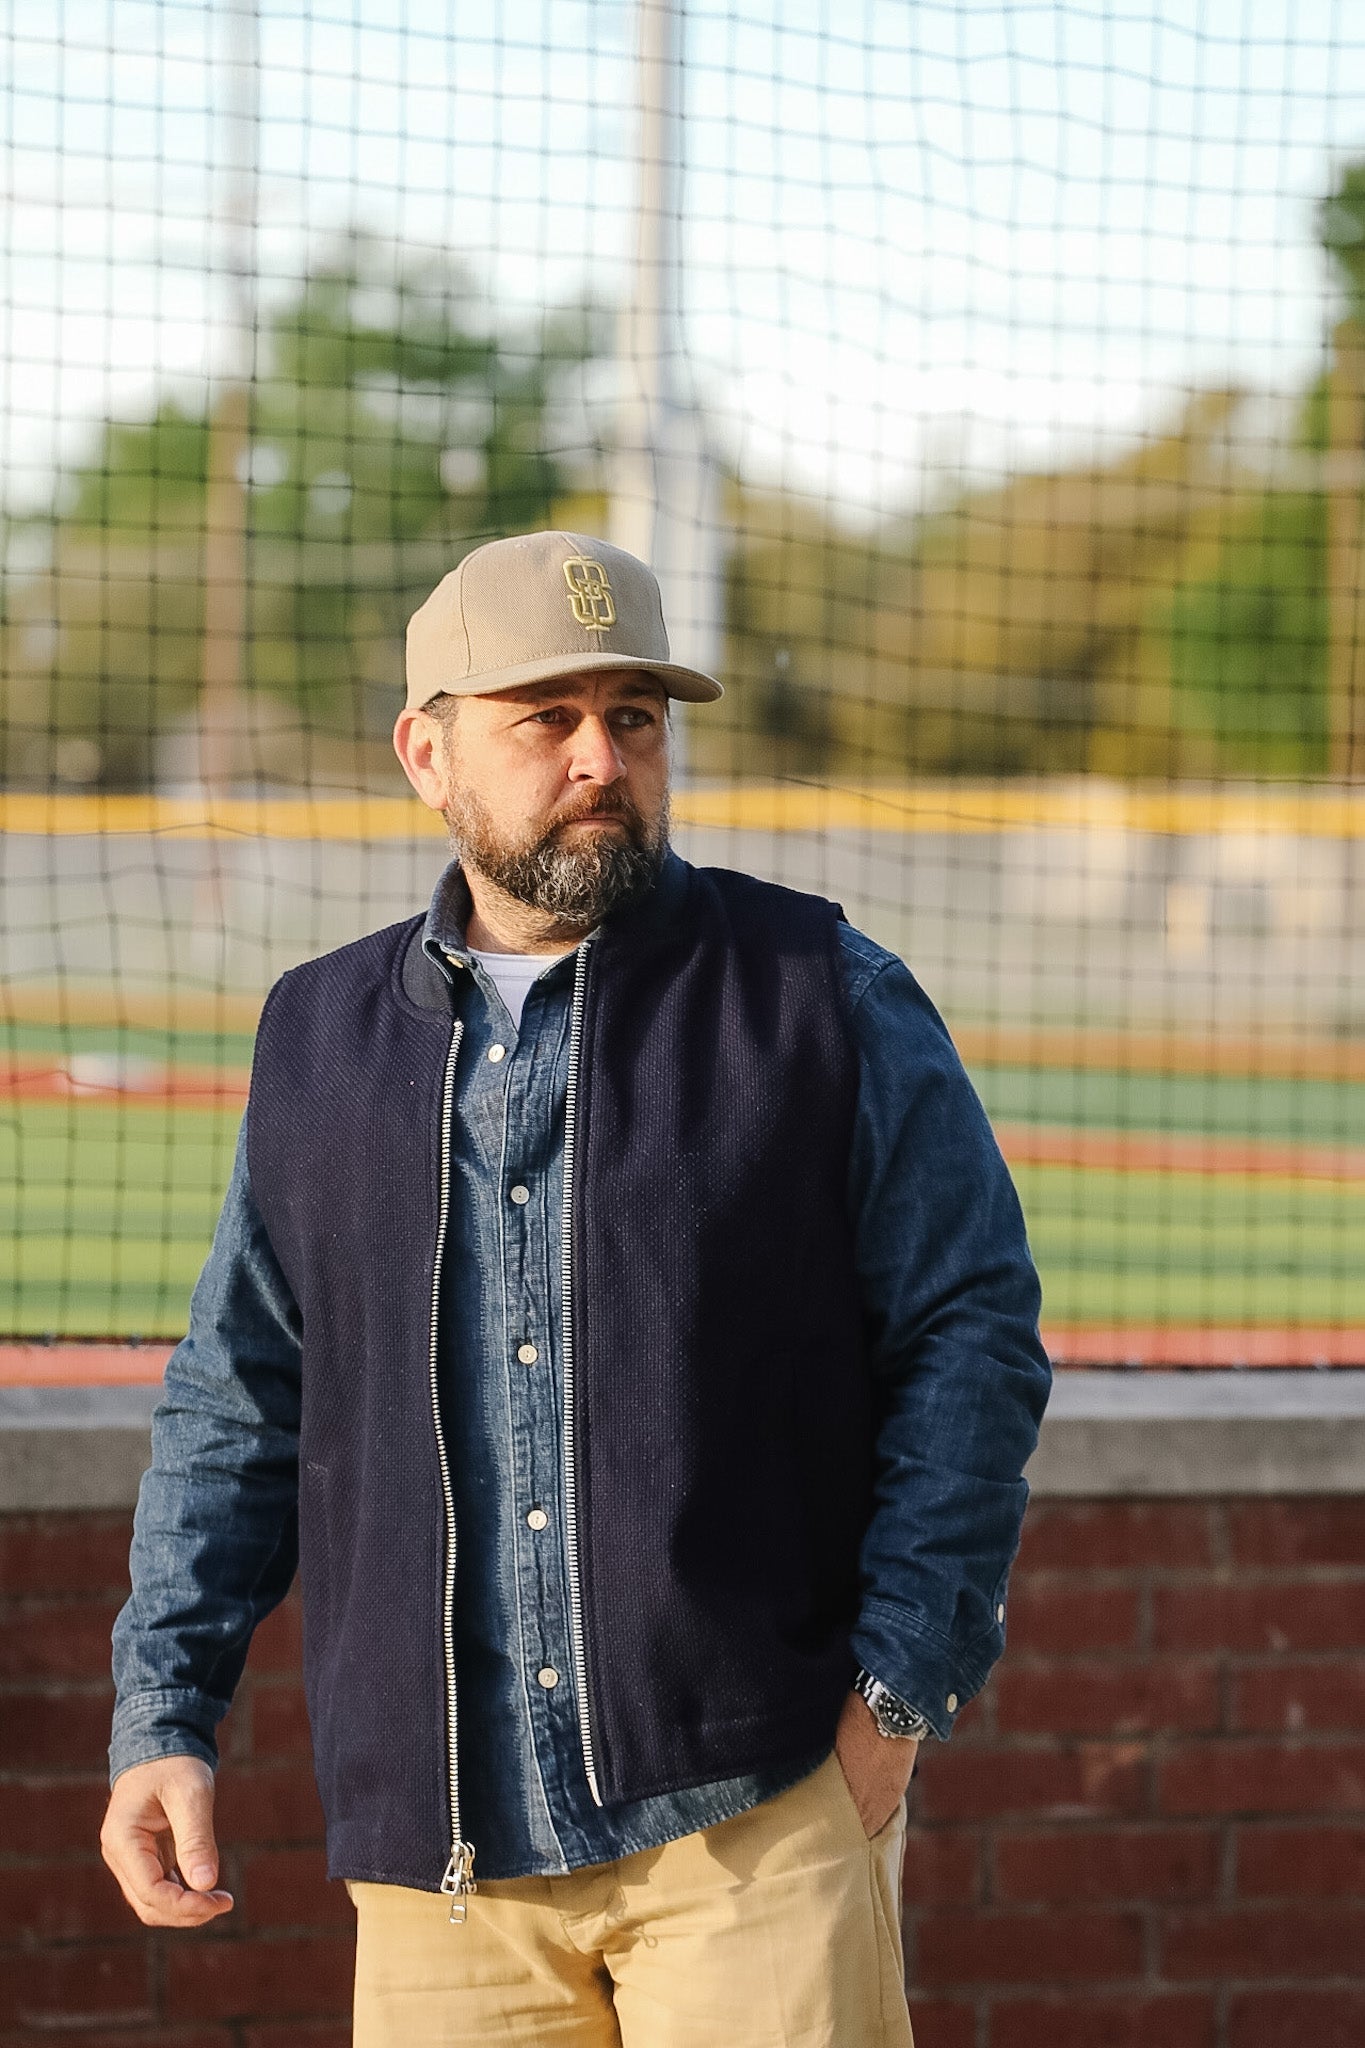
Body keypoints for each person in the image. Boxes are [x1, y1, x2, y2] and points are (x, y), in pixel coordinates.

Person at [102, 529, 1050, 2047]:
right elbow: (238, 1399)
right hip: (443, 1872)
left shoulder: (820, 990)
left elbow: (972, 1338)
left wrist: (894, 1699)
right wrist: (165, 1713)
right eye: (545, 716)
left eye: (636, 716)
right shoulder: (315, 1038)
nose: (600, 756)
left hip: (751, 1820)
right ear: (427, 751)